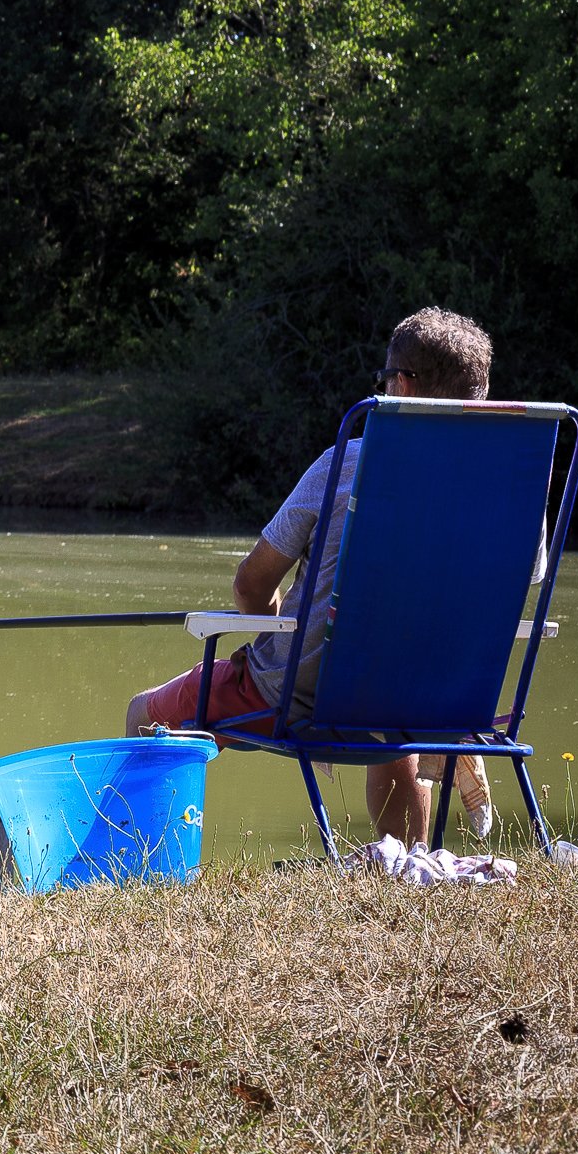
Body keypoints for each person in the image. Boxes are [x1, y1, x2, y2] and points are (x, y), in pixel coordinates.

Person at [120, 307, 500, 844]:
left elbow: (251, 583)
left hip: (306, 695)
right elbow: (518, 584)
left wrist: (274, 625)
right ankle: (414, 859)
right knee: (387, 691)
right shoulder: (510, 486)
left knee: (144, 712)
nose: (383, 385)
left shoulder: (345, 465)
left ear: (403, 383)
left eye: (384, 376)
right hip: (433, 699)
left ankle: (138, 861)